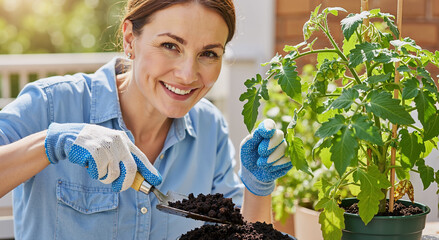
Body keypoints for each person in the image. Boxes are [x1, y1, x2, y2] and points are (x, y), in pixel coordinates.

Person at [0, 0, 293, 239]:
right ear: (130, 39)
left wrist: (256, 189)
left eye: (208, 53)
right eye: (170, 46)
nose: (188, 74)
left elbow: (242, 234)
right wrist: (49, 143)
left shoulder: (210, 129)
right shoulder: (52, 104)